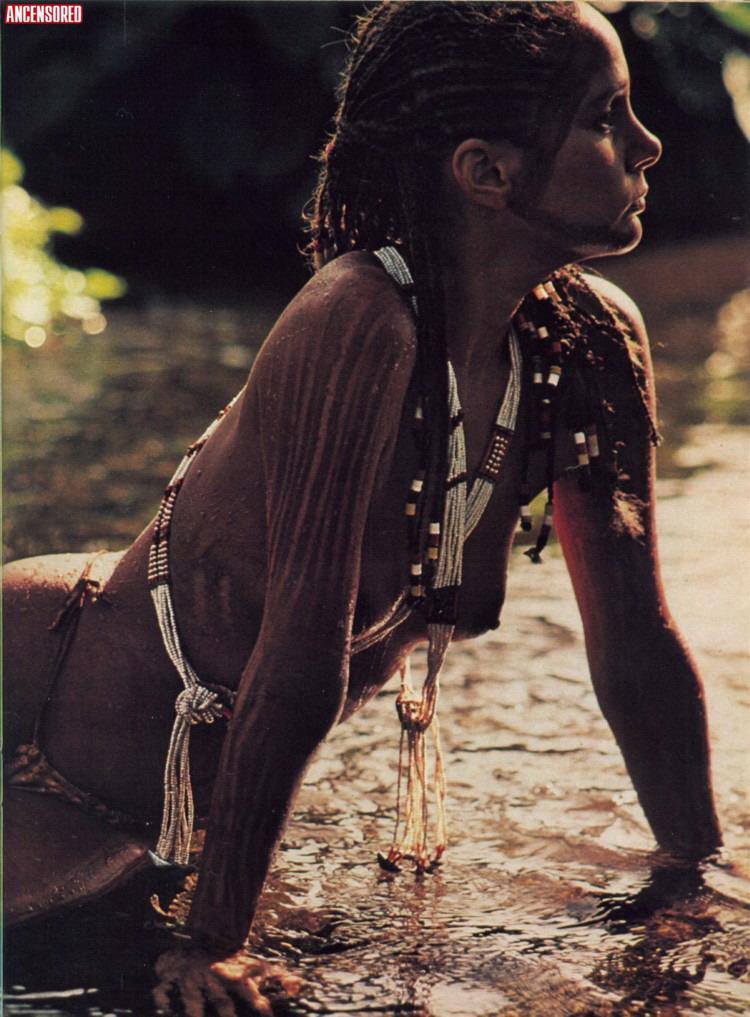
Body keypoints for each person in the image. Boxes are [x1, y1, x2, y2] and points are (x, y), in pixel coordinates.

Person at [3, 1, 722, 1013]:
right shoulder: (358, 319)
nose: (647, 146)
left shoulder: (591, 343)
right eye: (606, 117)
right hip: (40, 724)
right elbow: (300, 651)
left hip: (170, 802)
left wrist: (695, 873)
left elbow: (636, 642)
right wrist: (214, 938)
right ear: (486, 171)